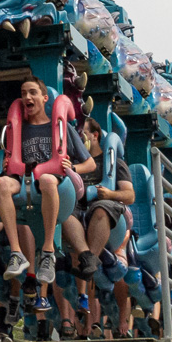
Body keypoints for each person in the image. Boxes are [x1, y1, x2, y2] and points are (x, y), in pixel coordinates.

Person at [0, 78, 95, 301]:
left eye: (32, 93)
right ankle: (16, 252)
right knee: (1, 184)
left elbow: (91, 164)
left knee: (47, 179)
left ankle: (48, 251)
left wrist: (72, 166)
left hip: (54, 182)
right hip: (26, 180)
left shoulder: (60, 127)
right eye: (23, 93)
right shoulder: (18, 130)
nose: (27, 97)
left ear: (44, 98)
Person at [62, 117, 134, 287]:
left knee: (102, 208)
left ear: (94, 136)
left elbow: (130, 195)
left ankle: (91, 259)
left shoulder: (114, 163)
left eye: (82, 134)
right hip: (78, 207)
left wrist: (109, 193)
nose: (79, 139)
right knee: (63, 211)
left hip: (104, 206)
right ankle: (87, 258)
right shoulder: (74, 163)